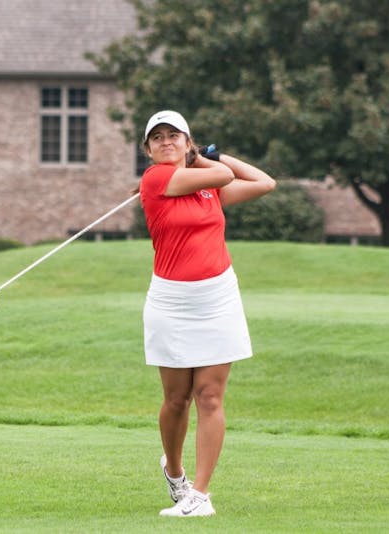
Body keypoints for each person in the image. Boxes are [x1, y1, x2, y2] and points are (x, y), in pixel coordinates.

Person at [138, 110, 276, 517]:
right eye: (158, 138)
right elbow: (224, 177)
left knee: (210, 397)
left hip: (217, 298)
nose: (166, 142)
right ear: (148, 150)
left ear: (187, 140)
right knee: (176, 400)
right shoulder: (156, 180)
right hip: (171, 301)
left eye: (174, 136)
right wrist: (204, 160)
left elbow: (264, 183)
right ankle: (175, 471)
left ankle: (199, 494)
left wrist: (218, 155)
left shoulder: (206, 187)